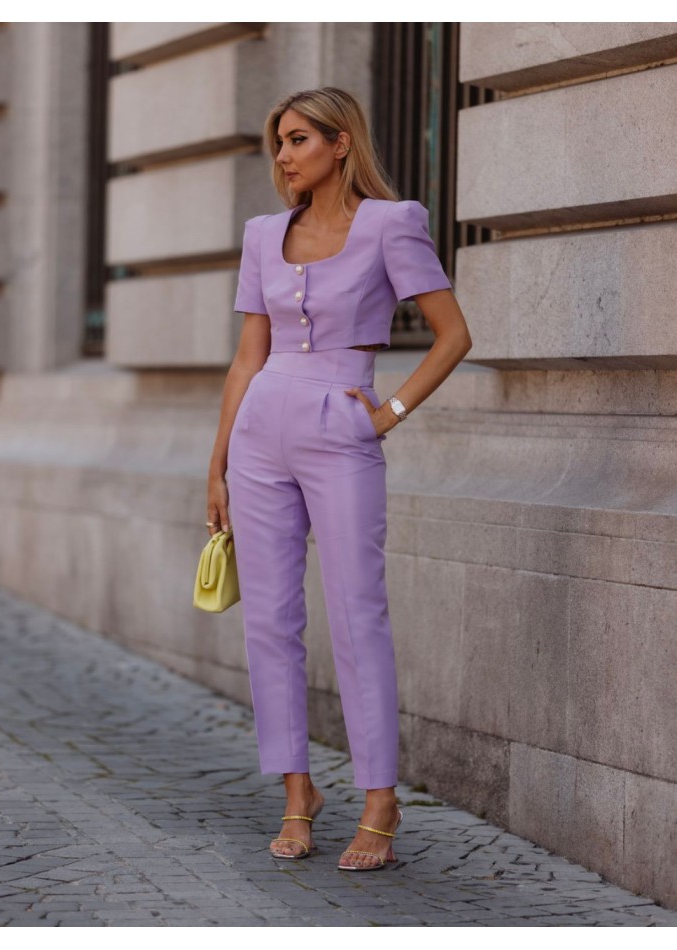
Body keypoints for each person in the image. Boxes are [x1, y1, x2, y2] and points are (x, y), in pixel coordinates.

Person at [206, 86, 472, 871]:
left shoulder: (393, 224)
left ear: (340, 144)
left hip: (340, 428)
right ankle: (298, 795)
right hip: (259, 431)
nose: (283, 156)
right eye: (279, 142)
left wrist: (385, 413)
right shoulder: (263, 234)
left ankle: (380, 798)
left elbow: (453, 335)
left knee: (359, 614)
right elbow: (247, 355)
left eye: (296, 140)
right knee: (269, 622)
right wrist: (216, 462)